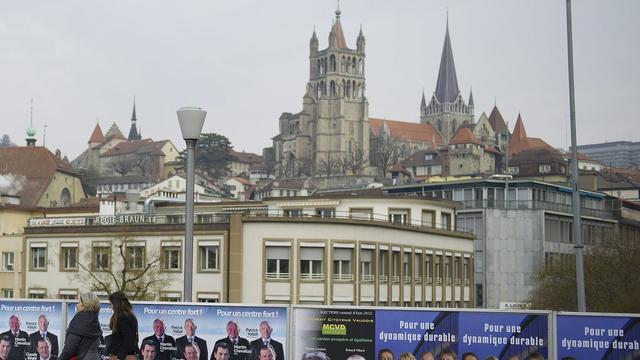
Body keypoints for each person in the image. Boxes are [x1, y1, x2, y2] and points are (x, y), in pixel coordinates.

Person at [58, 291, 103, 360]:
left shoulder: (79, 321)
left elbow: (69, 349)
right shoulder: (95, 321)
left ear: (86, 304)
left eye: (79, 302)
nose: (77, 305)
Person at [106, 291, 139, 360]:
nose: (110, 307)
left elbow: (128, 338)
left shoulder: (122, 317)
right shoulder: (130, 315)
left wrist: (120, 356)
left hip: (120, 355)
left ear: (116, 304)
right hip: (124, 354)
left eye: (111, 304)